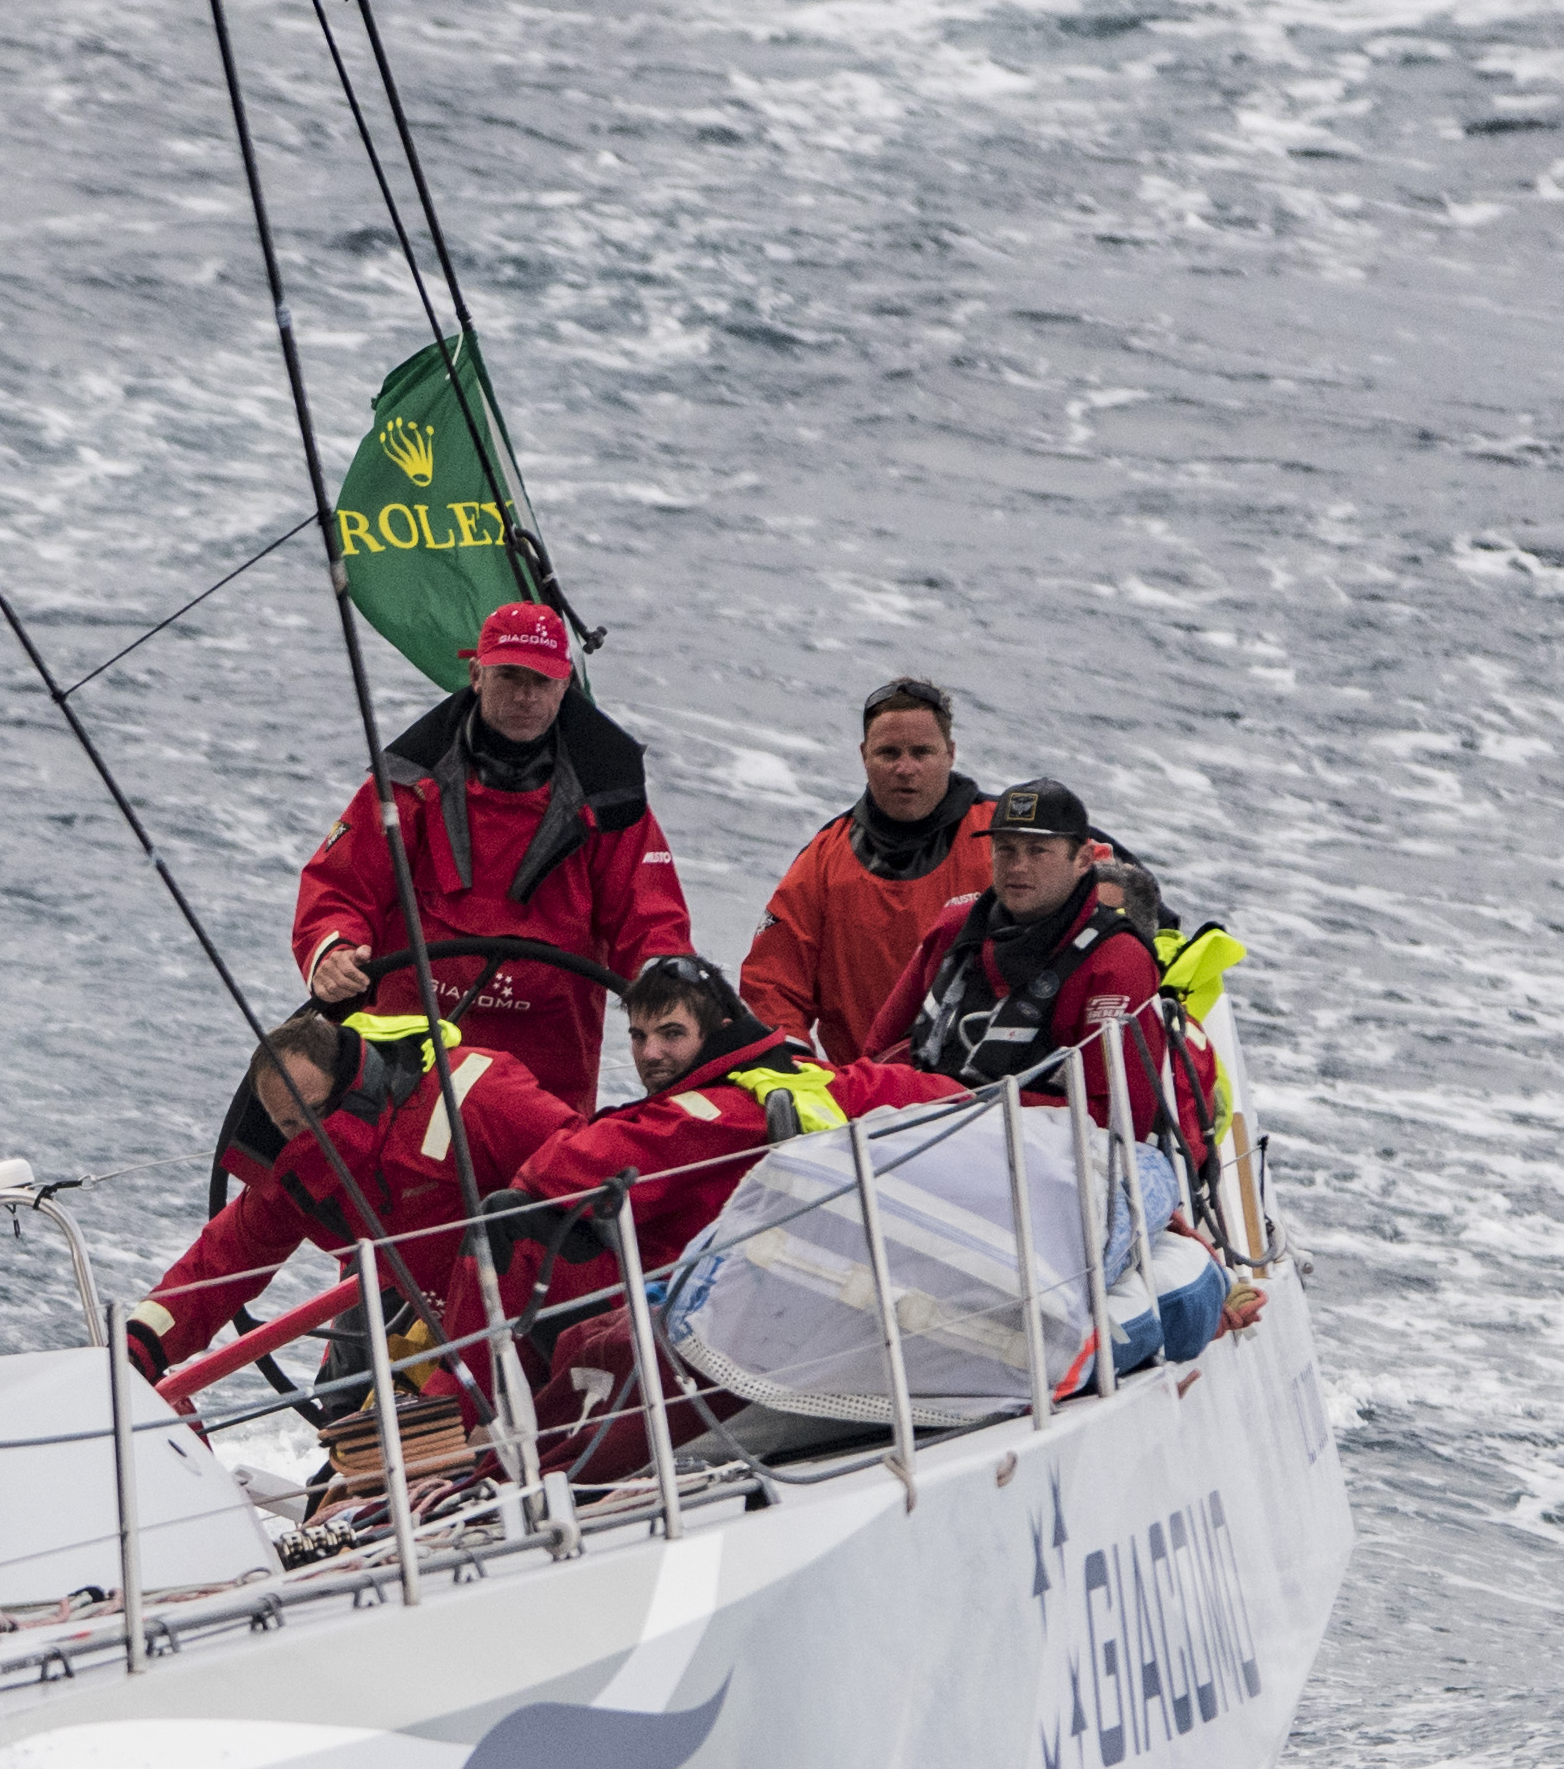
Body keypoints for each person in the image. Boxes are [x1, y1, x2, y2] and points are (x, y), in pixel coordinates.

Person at [515, 958, 959, 1471]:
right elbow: (948, 1097)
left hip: (722, 1331)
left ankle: (508, 1459)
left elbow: (553, 1171)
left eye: (671, 1034)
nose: (648, 1054)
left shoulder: (702, 1114)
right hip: (820, 1311)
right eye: (637, 1037)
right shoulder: (815, 1080)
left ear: (718, 1031)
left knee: (548, 1284)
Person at [119, 989, 573, 1442]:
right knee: (354, 1476)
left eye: (314, 1112)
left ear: (348, 1079)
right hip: (451, 1343)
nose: (307, 1135)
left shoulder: (474, 1094)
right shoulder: (300, 1172)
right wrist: (136, 1346)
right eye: (289, 1124)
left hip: (559, 1318)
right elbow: (218, 1265)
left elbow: (586, 1170)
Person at [290, 598, 688, 1107]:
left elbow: (651, 921)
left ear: (565, 683)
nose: (525, 696)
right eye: (509, 677)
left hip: (547, 1073)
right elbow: (341, 886)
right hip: (404, 1048)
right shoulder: (408, 784)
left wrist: (669, 989)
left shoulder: (612, 801)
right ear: (476, 675)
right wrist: (334, 951)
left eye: (541, 681)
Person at [896, 776, 1225, 1159]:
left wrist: (947, 1100)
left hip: (1041, 1166)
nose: (1018, 866)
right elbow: (881, 1049)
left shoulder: (1117, 962)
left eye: (1038, 851)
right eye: (1006, 849)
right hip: (915, 1137)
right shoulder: (956, 927)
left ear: (1083, 860)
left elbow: (1120, 1124)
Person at [736, 677, 995, 1067]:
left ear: (951, 753)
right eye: (889, 753)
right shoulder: (823, 860)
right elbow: (771, 985)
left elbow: (1104, 882)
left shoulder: (1005, 839)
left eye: (922, 752)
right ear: (863, 755)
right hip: (865, 1095)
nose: (905, 768)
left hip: (989, 1087)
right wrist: (796, 1069)